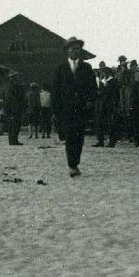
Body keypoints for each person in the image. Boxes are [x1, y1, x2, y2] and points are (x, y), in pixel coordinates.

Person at [51, 37, 97, 176]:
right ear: (67, 51)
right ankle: (72, 165)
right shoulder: (60, 69)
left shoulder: (86, 68)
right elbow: (55, 91)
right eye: (72, 49)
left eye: (77, 49)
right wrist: (56, 110)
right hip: (66, 109)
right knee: (70, 137)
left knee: (79, 138)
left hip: (82, 109)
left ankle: (75, 162)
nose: (75, 52)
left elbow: (93, 88)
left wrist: (90, 100)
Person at [1, 73, 27, 145]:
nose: (18, 78)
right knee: (16, 124)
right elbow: (17, 97)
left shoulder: (6, 86)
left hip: (9, 108)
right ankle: (14, 141)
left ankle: (11, 141)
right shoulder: (15, 86)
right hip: (15, 108)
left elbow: (4, 97)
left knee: (11, 125)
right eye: (17, 76)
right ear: (13, 77)